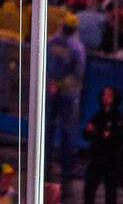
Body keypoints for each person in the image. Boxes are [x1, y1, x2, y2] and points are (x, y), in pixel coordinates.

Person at [46, 12, 85, 177]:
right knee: (67, 130)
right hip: (68, 94)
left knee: (47, 128)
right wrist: (61, 85)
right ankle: (66, 167)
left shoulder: (51, 41)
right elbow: (78, 73)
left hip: (50, 89)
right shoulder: (77, 47)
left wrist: (51, 83)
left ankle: (44, 163)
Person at [82, 85, 123, 204]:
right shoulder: (97, 115)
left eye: (109, 95)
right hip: (96, 158)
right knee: (89, 191)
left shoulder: (120, 118)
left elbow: (114, 139)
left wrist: (96, 132)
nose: (105, 97)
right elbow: (86, 135)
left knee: (110, 193)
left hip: (112, 160)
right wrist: (100, 133)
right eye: (104, 94)